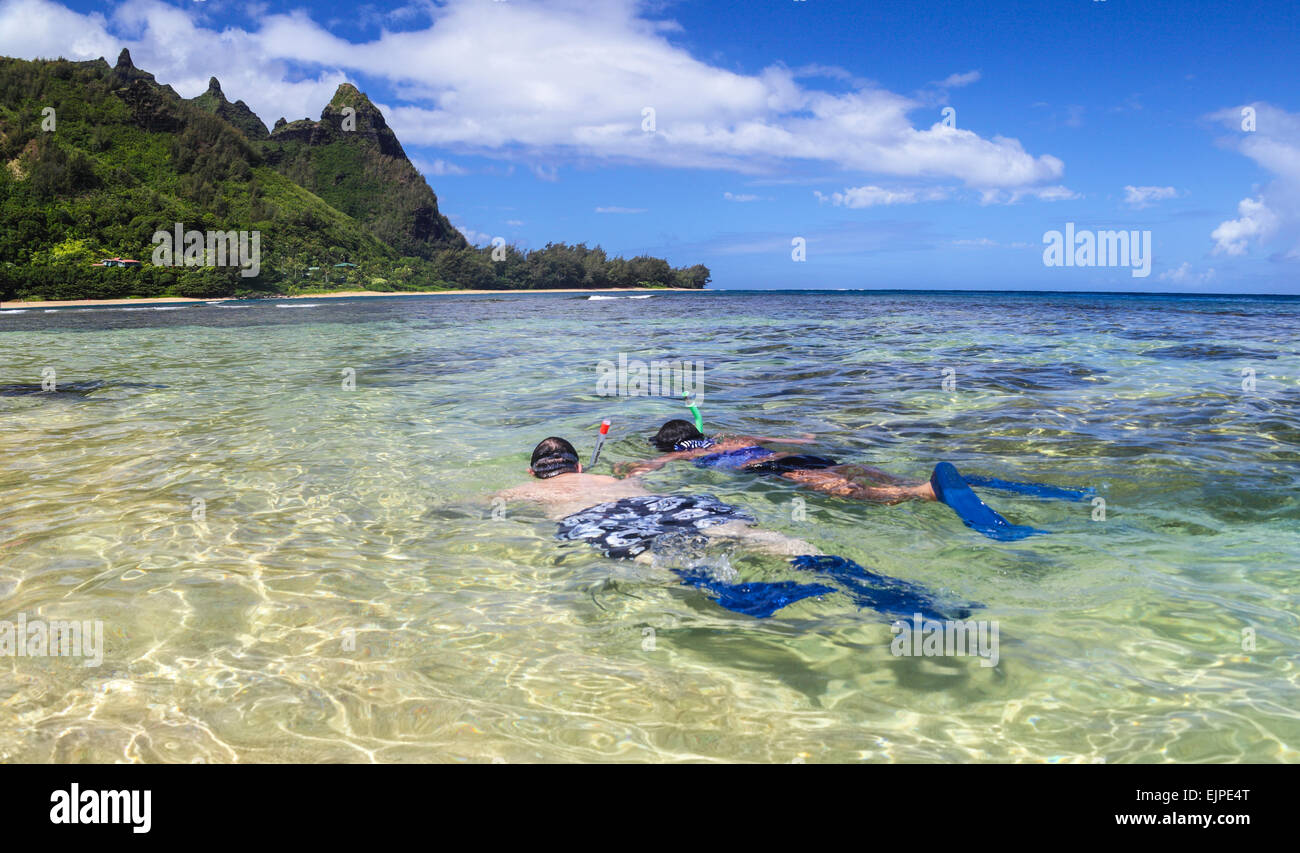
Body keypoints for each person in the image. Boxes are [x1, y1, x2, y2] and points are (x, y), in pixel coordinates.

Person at [495, 437, 974, 619]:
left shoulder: (523, 494)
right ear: (579, 467)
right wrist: (633, 467)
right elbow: (649, 471)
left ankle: (726, 591)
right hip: (673, 503)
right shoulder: (613, 476)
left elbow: (461, 509)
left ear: (535, 474)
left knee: (659, 557)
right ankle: (872, 583)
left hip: (600, 523)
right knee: (753, 536)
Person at [618, 419, 936, 504]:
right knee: (851, 470)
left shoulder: (687, 450)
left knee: (838, 488)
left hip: (769, 469)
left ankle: (916, 493)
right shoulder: (723, 439)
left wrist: (642, 466)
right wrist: (801, 440)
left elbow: (668, 459)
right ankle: (903, 482)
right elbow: (759, 439)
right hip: (789, 455)